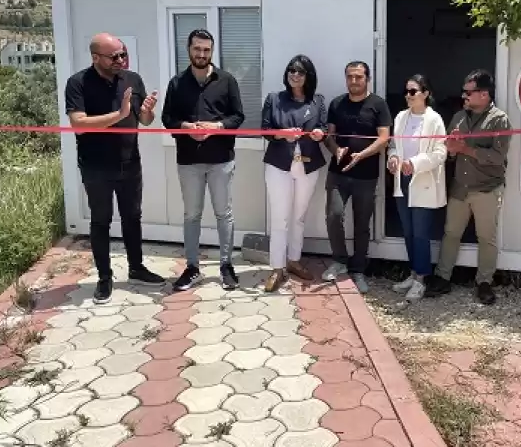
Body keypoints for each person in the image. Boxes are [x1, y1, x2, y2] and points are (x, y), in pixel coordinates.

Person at [65, 33, 165, 305]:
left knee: (133, 217)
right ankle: (104, 278)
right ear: (96, 58)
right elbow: (79, 124)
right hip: (96, 166)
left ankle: (136, 268)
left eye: (124, 54)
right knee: (101, 221)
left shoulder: (132, 79)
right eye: (115, 56)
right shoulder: (78, 83)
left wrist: (146, 111)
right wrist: (118, 116)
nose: (121, 60)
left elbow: (144, 120)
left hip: (130, 162)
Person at [161, 29, 245, 291]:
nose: (201, 54)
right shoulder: (176, 83)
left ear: (212, 51)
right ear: (189, 49)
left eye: (206, 50)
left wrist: (217, 126)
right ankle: (192, 267)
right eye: (197, 49)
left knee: (224, 214)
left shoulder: (227, 80)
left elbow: (238, 117)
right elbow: (167, 119)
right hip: (189, 160)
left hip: (221, 159)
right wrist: (186, 126)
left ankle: (226, 265)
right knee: (192, 215)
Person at [425, 70, 512, 305]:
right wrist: (451, 149)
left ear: (484, 94)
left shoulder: (499, 120)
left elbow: (497, 156)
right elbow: (450, 153)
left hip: (486, 189)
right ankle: (443, 278)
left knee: (487, 237)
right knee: (451, 233)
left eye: (468, 92)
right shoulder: (459, 118)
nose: (464, 96)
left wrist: (465, 150)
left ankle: (484, 282)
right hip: (460, 188)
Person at [322, 61, 392, 293]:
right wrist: (335, 149)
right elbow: (329, 135)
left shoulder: (378, 105)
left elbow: (384, 138)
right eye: (350, 77)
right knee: (334, 215)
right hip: (338, 172)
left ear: (367, 79)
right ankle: (340, 261)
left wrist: (362, 155)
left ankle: (358, 270)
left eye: (359, 77)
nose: (354, 81)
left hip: (366, 175)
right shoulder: (336, 104)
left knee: (362, 224)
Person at [261, 55, 328, 292]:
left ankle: (294, 260)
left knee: (299, 217)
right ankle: (276, 268)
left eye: (300, 72)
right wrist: (282, 134)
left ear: (308, 76)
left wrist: (320, 133)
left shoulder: (317, 101)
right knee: (280, 218)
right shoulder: (274, 99)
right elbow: (265, 130)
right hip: (279, 164)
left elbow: (324, 127)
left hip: (307, 166)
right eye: (291, 70)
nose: (295, 75)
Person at [387, 74, 447, 304]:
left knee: (421, 233)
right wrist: (393, 158)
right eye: (406, 91)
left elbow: (440, 153)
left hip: (423, 181)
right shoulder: (401, 117)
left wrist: (416, 163)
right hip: (403, 180)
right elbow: (394, 144)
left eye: (413, 91)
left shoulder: (435, 120)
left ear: (425, 93)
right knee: (408, 231)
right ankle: (413, 273)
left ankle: (421, 279)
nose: (408, 96)